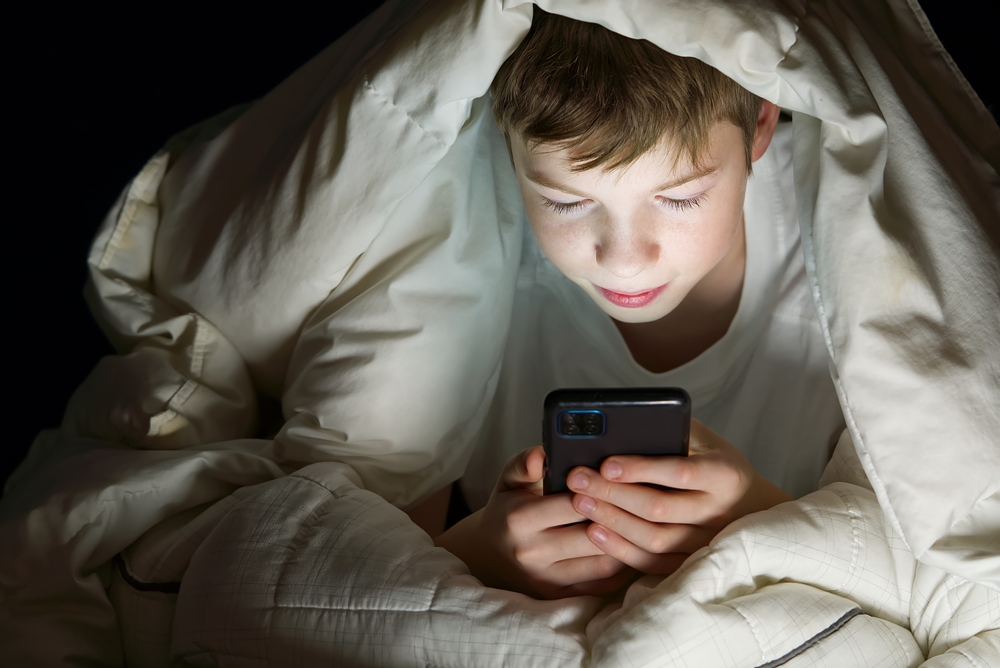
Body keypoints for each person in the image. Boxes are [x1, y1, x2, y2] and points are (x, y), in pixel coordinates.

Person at [425, 9, 846, 599]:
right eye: (565, 202)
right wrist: (472, 554)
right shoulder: (455, 248)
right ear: (508, 150)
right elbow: (384, 546)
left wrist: (766, 521)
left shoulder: (843, 257)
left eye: (679, 198)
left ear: (761, 125)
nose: (624, 261)